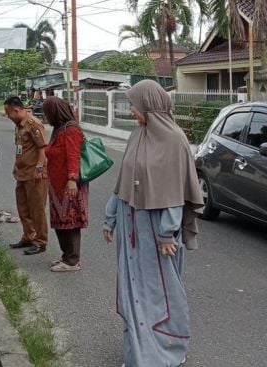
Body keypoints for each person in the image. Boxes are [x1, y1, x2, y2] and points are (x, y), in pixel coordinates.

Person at [102, 80, 204, 367]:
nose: (132, 110)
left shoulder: (174, 141)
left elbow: (175, 193)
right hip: (130, 226)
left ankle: (167, 349)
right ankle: (139, 352)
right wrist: (110, 218)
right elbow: (122, 182)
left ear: (149, 105)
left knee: (160, 291)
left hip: (158, 233)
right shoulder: (137, 135)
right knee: (135, 289)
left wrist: (166, 233)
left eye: (135, 104)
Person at [42, 96, 88, 272]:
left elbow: (73, 156)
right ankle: (66, 256)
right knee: (60, 221)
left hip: (69, 184)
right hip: (57, 184)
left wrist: (72, 179)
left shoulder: (71, 130)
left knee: (71, 221)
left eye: (48, 113)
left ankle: (72, 261)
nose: (46, 116)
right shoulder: (58, 129)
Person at [3, 96, 49, 256]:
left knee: (37, 209)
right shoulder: (19, 125)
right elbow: (20, 148)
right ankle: (29, 236)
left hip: (35, 174)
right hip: (22, 174)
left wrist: (39, 168)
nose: (8, 117)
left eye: (9, 114)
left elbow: (43, 149)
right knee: (23, 208)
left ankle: (41, 241)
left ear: (16, 110)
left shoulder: (33, 124)